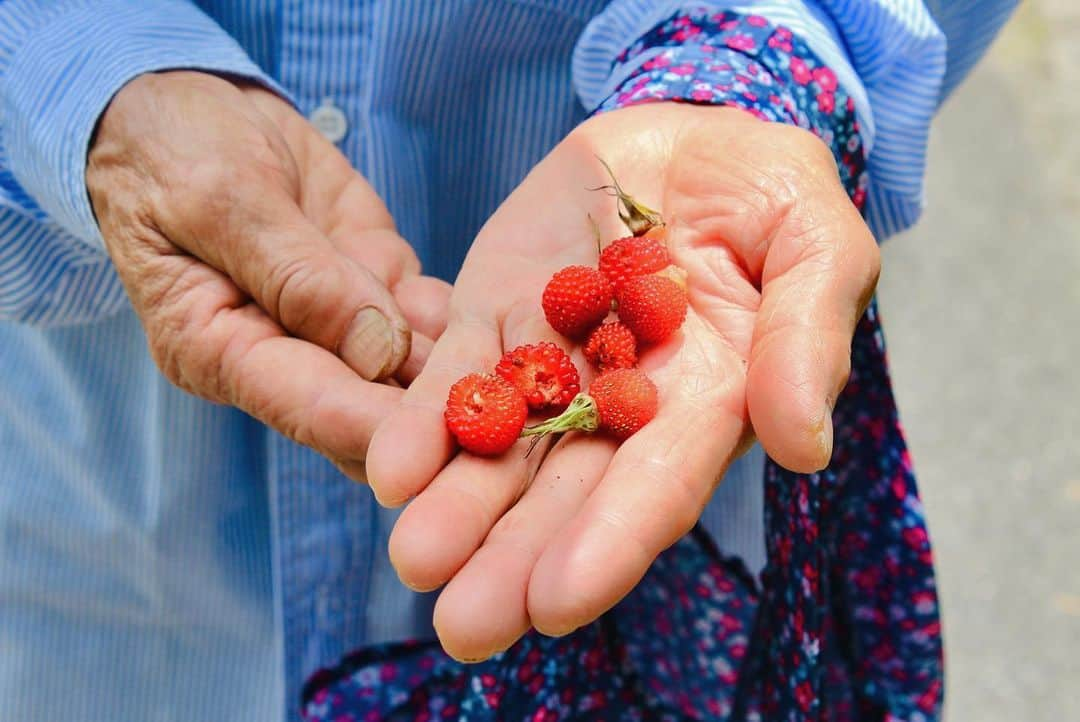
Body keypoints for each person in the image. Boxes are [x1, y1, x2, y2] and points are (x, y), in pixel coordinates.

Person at [0, 1, 1016, 720]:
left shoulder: (611, 323)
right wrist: (82, 75)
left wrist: (746, 58)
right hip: (109, 542)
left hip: (640, 557)